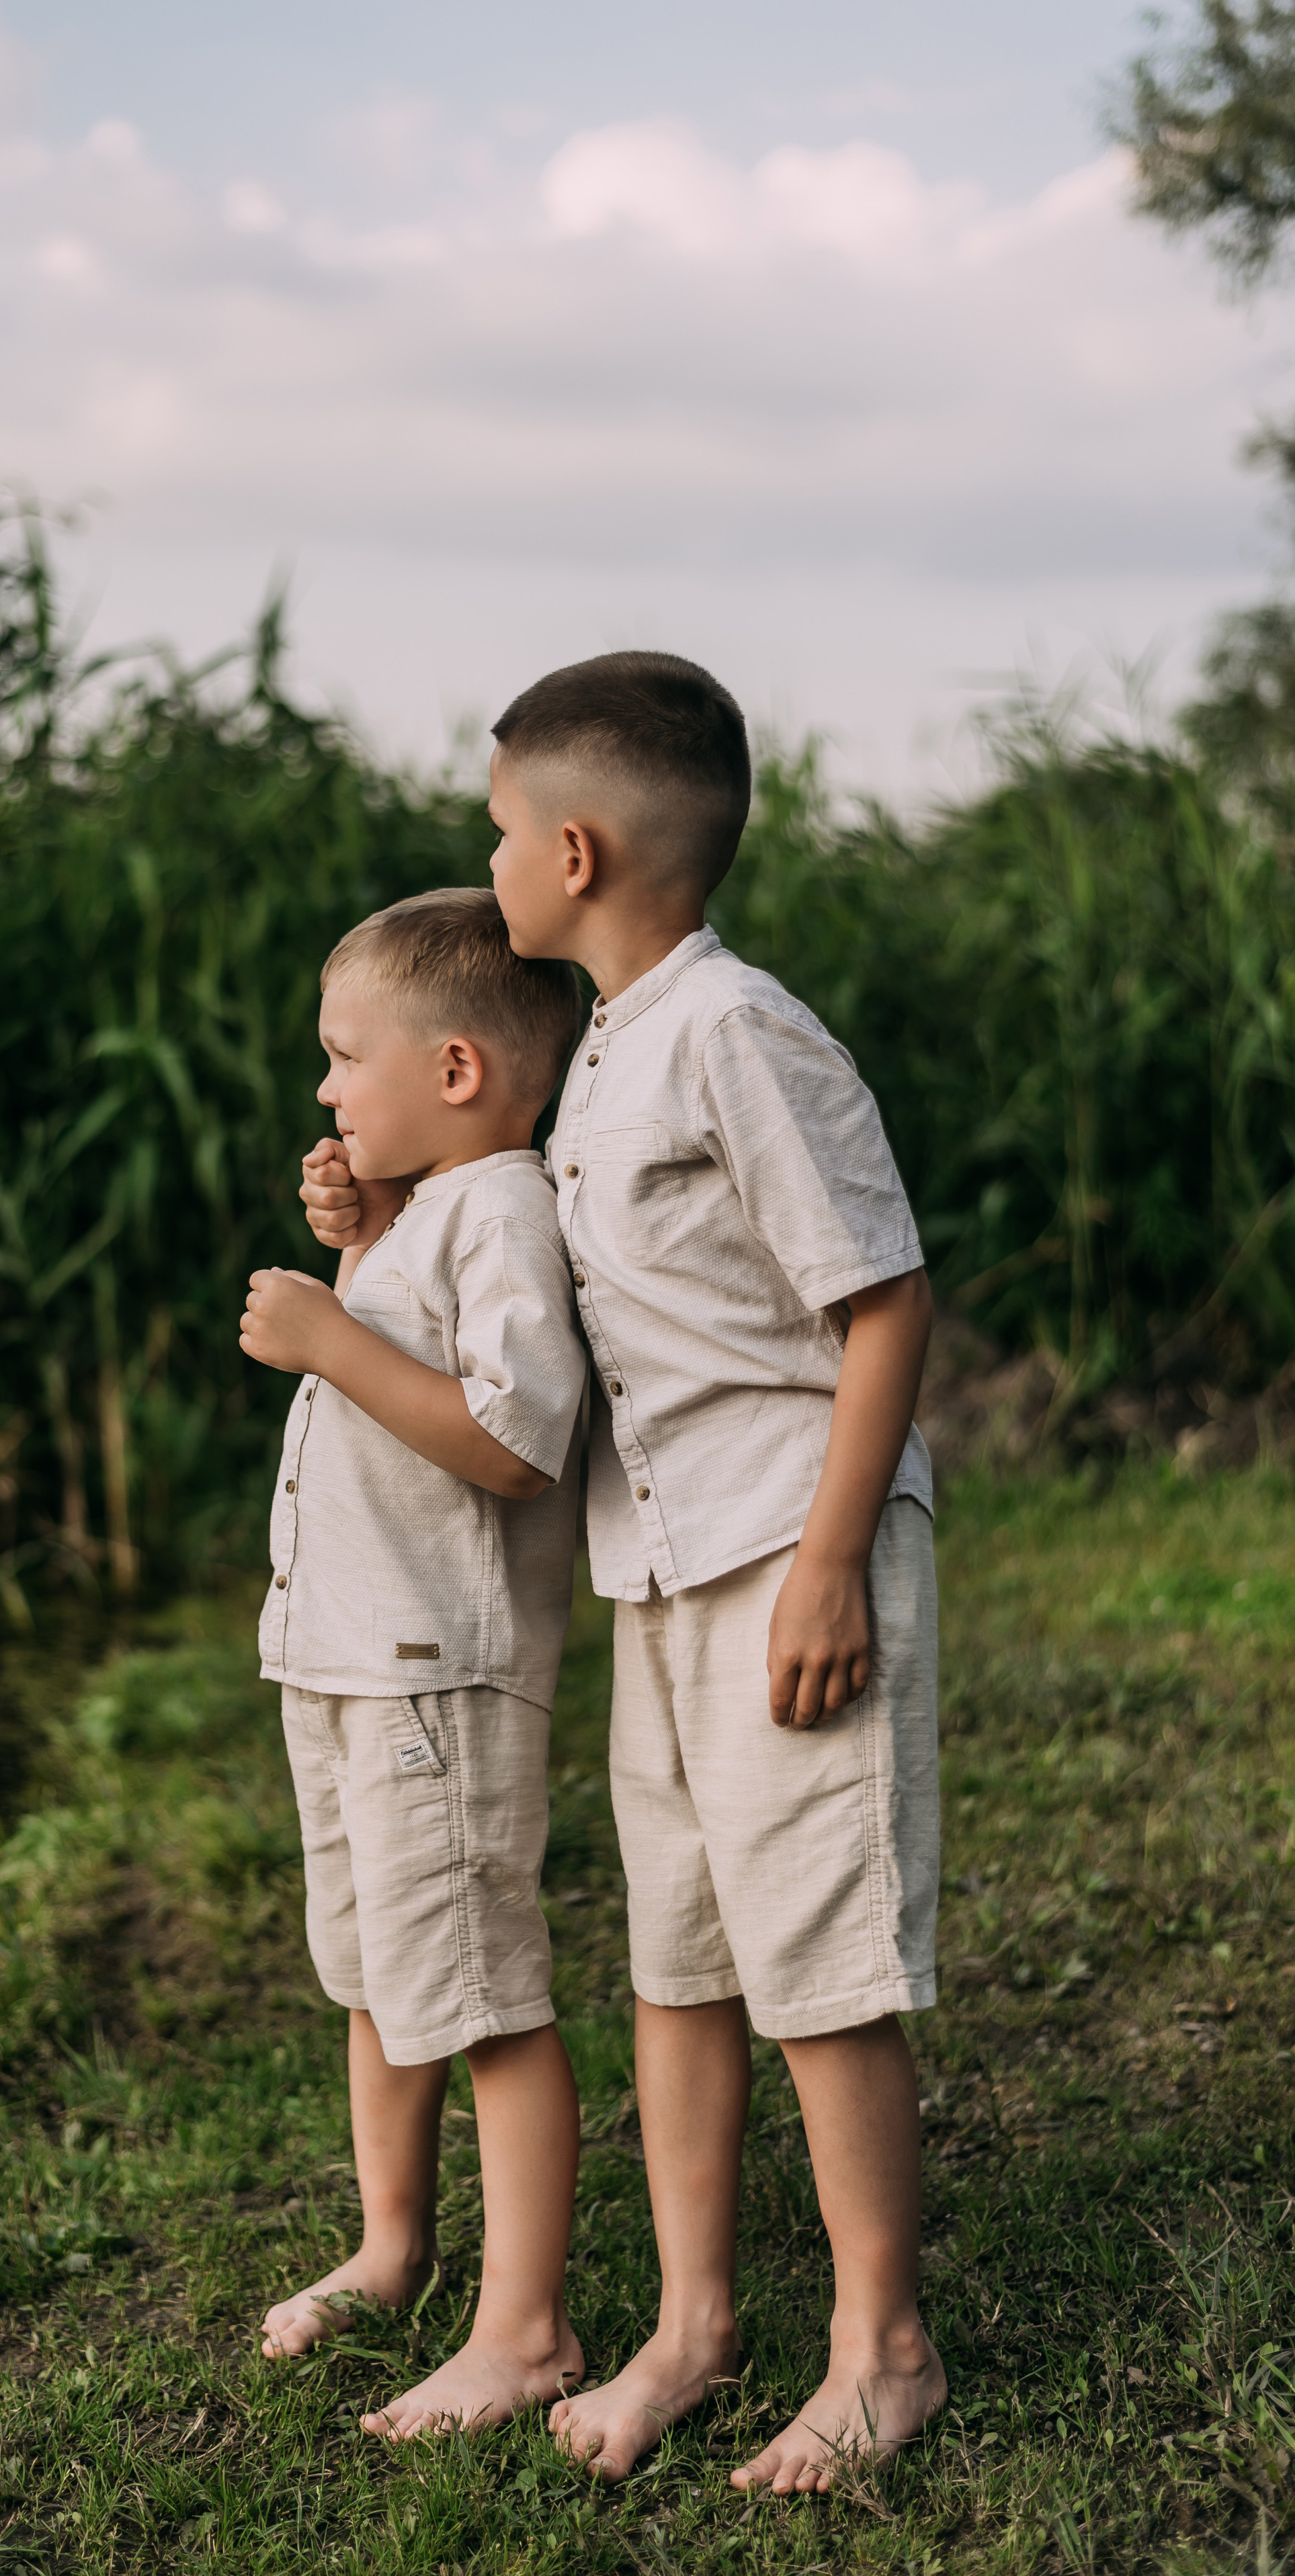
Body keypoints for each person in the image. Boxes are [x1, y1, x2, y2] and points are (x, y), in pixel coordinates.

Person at [301, 652, 945, 2497]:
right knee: (681, 1953)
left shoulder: (738, 1032)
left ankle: (885, 2343)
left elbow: (884, 1297)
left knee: (817, 1959)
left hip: (776, 1549)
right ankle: (690, 2318)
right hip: (655, 1568)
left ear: (572, 848)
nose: (488, 860)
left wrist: (830, 1562)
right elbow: (535, 1281)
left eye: (500, 832)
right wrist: (381, 1214)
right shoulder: (598, 1063)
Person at [240, 886, 591, 2440]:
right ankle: (392, 2249)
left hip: (431, 1673)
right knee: (380, 1977)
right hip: (346, 1662)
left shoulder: (508, 1205)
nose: (323, 1089)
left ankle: (524, 2328)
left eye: (341, 1058)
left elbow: (515, 1439)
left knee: (483, 1995)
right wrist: (377, 1244)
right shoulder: (441, 1209)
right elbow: (429, 1360)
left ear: (452, 1072)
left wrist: (332, 1334)